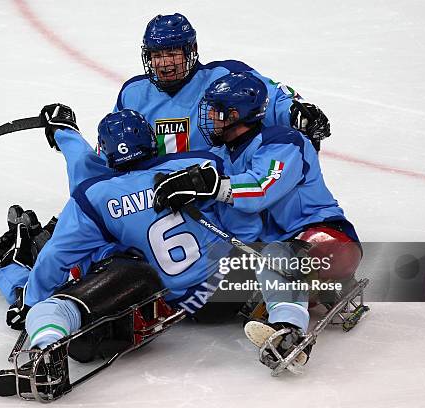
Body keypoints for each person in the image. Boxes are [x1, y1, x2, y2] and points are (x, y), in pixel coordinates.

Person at [0, 108, 267, 398]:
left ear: (106, 152)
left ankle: (41, 335)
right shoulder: (201, 163)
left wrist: (33, 301)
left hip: (151, 290)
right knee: (288, 258)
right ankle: (289, 316)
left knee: (56, 306)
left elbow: (57, 256)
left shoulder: (94, 193)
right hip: (218, 290)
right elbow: (246, 225)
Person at [152, 71, 362, 371]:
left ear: (236, 115)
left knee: (278, 254)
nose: (208, 117)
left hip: (329, 240)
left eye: (215, 111)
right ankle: (289, 298)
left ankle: (289, 332)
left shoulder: (286, 142)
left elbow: (259, 189)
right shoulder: (219, 154)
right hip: (270, 252)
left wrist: (211, 185)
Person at [113, 13, 330, 154]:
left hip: (217, 188)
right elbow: (113, 146)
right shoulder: (132, 93)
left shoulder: (224, 76)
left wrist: (293, 111)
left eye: (172, 53)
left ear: (192, 49)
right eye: (156, 55)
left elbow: (269, 97)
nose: (164, 63)